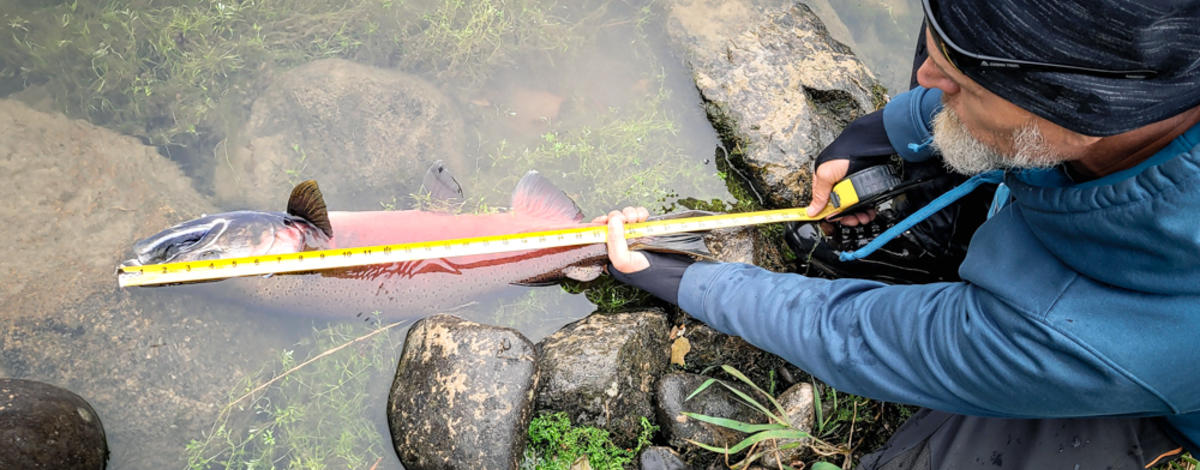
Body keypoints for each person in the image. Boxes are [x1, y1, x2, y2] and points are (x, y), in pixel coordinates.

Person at [597, 0, 1200, 468]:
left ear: (1087, 113)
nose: (923, 74)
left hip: (1133, 369)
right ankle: (962, 216)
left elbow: (853, 334)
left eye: (963, 82)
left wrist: (687, 273)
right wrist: (885, 130)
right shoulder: (1151, 87)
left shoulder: (1115, 330)